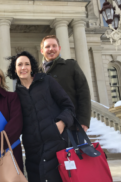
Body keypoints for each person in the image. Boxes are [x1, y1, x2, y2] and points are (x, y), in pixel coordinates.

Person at [7, 51, 75, 182]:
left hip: (57, 145)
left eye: (27, 64)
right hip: (33, 152)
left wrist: (61, 124)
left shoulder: (47, 81)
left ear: (31, 67)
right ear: (15, 69)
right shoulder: (16, 95)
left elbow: (68, 106)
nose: (23, 68)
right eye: (20, 65)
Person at [39, 35, 91, 133]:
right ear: (42, 51)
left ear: (59, 48)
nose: (51, 49)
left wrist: (84, 120)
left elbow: (84, 92)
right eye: (47, 46)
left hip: (71, 124)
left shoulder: (71, 65)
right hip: (47, 126)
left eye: (54, 46)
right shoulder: (37, 72)